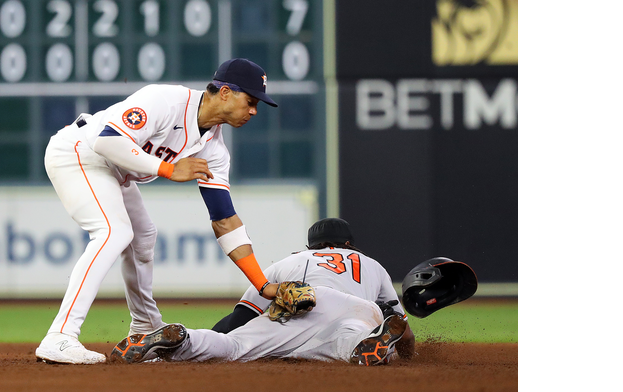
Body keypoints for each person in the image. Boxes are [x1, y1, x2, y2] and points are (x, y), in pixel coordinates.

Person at [35, 58, 282, 364]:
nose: (254, 111)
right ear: (225, 92)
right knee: (115, 231)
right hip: (78, 152)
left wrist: (263, 285)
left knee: (143, 237)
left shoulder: (214, 151)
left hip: (115, 173)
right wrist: (168, 169)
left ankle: (145, 327)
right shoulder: (165, 101)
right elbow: (107, 142)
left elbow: (225, 221)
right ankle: (60, 335)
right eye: (251, 101)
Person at [109, 218, 416, 366]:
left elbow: (240, 317)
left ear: (311, 247)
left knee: (232, 347)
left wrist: (218, 335)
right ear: (349, 244)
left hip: (303, 301)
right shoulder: (372, 265)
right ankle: (370, 343)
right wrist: (410, 356)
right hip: (361, 311)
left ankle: (184, 338)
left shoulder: (291, 261)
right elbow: (406, 331)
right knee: (349, 345)